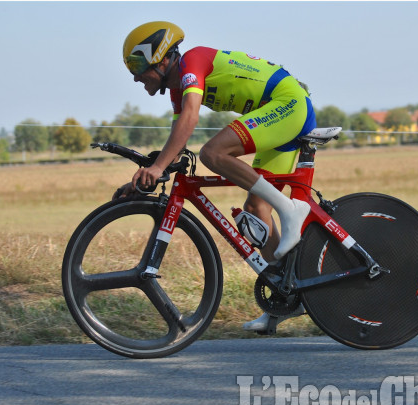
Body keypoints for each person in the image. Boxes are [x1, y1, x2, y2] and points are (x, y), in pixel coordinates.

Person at [121, 21, 316, 331]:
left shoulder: (192, 62)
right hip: (279, 111)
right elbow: (178, 139)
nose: (134, 75)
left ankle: (290, 208)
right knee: (256, 209)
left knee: (212, 154)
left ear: (158, 56)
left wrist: (157, 168)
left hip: (287, 104)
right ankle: (285, 299)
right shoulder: (177, 89)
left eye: (136, 64)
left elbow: (190, 117)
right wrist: (146, 176)